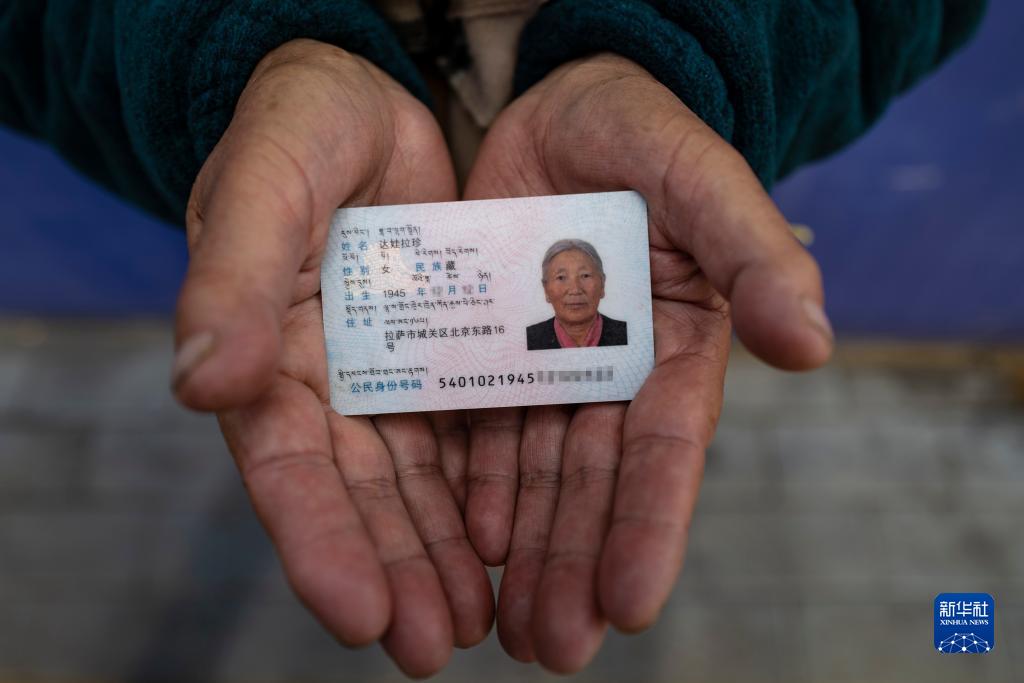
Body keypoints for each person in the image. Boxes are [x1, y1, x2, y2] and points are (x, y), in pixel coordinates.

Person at [0, 0, 987, 677]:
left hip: (645, 186)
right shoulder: (532, 322)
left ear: (598, 278)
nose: (571, 285)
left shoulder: (620, 326)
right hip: (317, 216)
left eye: (580, 273)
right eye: (560, 275)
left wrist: (700, 47)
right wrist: (222, 54)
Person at [526, 239, 628, 350]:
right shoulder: (529, 339)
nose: (575, 290)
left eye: (585, 276)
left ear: (602, 284)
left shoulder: (626, 334)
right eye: (561, 277)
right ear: (546, 289)